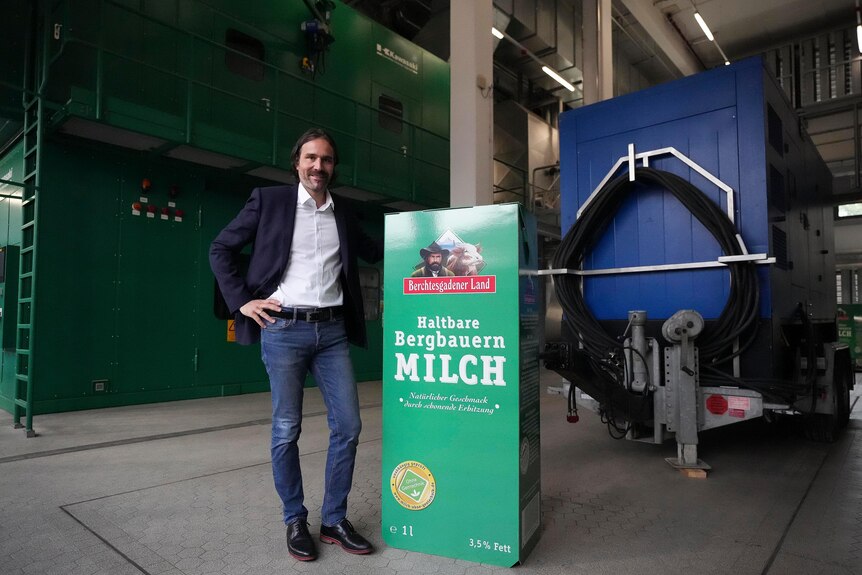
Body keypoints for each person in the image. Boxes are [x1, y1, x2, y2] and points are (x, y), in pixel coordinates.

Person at [209, 128, 382, 562]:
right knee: (287, 428)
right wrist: (242, 302)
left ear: (333, 166)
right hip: (283, 329)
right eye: (310, 158)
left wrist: (439, 238)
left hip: (333, 333)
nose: (318, 166)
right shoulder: (269, 201)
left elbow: (377, 250)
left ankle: (334, 520)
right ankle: (294, 518)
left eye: (325, 159)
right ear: (296, 162)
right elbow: (221, 249)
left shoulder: (344, 212)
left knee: (350, 426)